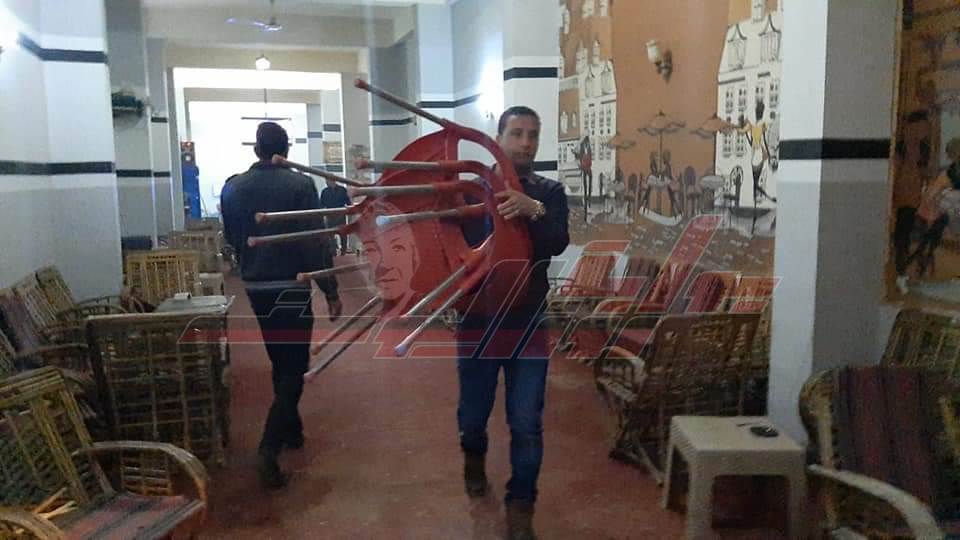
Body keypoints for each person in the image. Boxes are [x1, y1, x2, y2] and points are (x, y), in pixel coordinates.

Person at [457, 106, 570, 540]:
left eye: (533, 135)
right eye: (517, 133)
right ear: (498, 137)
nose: (526, 143)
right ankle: (473, 458)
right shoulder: (470, 189)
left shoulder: (549, 193)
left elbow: (557, 241)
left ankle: (521, 506)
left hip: (527, 321)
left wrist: (533, 209)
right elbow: (446, 244)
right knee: (473, 415)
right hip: (477, 321)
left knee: (526, 422)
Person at [221, 122, 343, 489]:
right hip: (291, 285)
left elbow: (232, 237)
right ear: (286, 150)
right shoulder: (300, 185)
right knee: (295, 366)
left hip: (256, 286)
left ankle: (292, 430)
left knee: (280, 359)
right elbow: (314, 241)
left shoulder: (233, 188)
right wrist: (330, 290)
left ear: (256, 149)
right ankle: (268, 449)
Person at [320, 177, 352, 255]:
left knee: (343, 235)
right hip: (330, 215)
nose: (327, 183)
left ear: (333, 181)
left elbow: (348, 202)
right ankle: (333, 252)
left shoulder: (342, 190)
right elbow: (321, 204)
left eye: (328, 181)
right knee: (331, 235)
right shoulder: (325, 191)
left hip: (340, 215)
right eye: (326, 181)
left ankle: (343, 251)